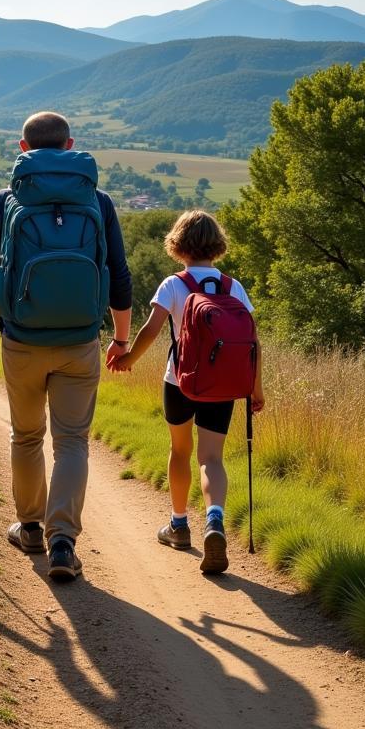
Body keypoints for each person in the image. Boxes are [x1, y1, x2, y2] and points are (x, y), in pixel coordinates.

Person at [0, 112, 132, 581]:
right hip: (80, 339)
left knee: (26, 436)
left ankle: (31, 527)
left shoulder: (4, 201)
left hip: (21, 339)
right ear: (70, 145)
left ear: (24, 148)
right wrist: (120, 338)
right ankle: (64, 542)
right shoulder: (98, 200)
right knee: (73, 442)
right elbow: (119, 276)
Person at [110, 209, 264, 574]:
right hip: (223, 386)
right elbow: (253, 341)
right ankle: (214, 520)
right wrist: (255, 389)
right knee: (212, 458)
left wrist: (128, 358)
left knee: (180, 450)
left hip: (179, 382)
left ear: (178, 245)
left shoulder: (173, 284)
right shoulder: (233, 287)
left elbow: (151, 329)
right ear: (217, 245)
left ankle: (179, 525)